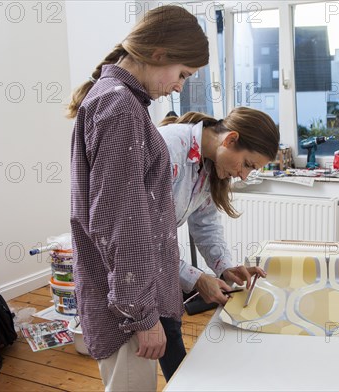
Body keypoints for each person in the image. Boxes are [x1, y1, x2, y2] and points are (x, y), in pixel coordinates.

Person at [68, 5, 209, 392]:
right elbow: (121, 223)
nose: (180, 86)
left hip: (127, 298)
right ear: (158, 54)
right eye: (182, 74)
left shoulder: (118, 101)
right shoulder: (120, 108)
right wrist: (141, 316)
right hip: (124, 309)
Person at [157, 107, 280, 380]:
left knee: (170, 330)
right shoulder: (167, 149)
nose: (245, 175)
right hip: (125, 267)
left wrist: (225, 268)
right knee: (145, 352)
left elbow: (206, 226)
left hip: (156, 262)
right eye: (247, 164)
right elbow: (143, 239)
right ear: (231, 139)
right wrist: (197, 278)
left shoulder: (209, 162)